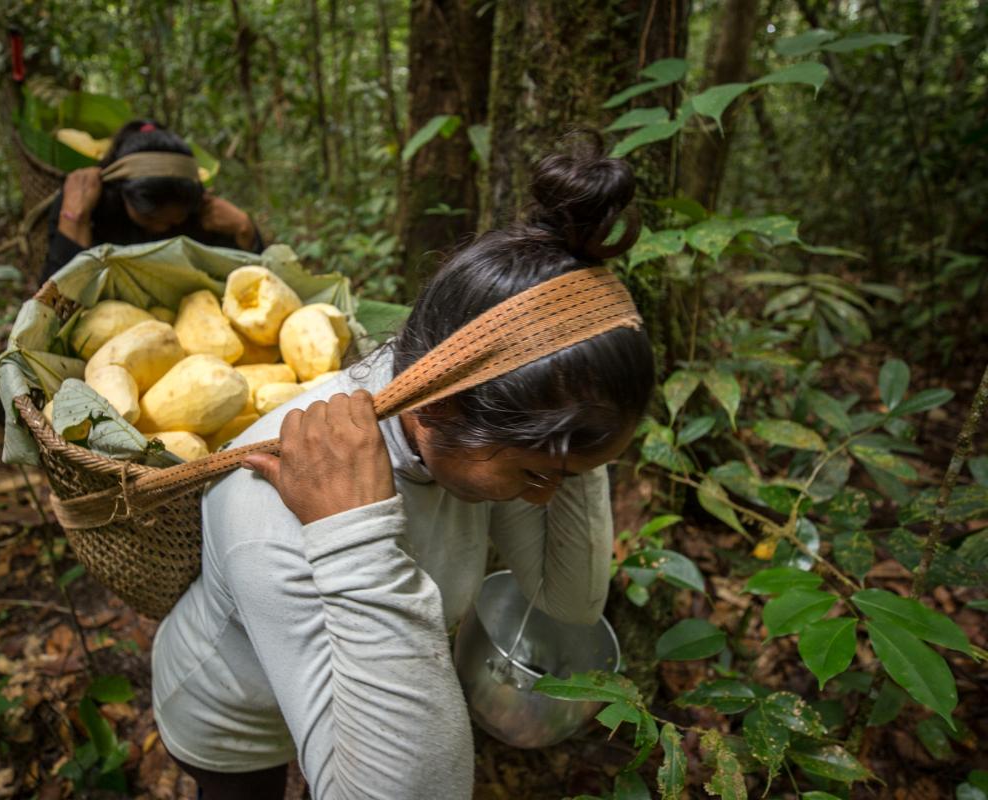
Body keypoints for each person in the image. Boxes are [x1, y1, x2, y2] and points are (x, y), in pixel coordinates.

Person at [151, 135, 654, 800]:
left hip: (347, 706)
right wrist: (355, 534)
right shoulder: (271, 502)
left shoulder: (475, 427)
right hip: (233, 719)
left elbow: (570, 603)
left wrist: (580, 440)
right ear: (444, 405)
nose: (541, 499)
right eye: (537, 474)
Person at [42, 120, 264, 281]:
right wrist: (74, 220)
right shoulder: (86, 206)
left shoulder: (200, 215)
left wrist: (246, 230)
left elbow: (255, 281)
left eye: (173, 222)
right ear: (121, 192)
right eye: (149, 217)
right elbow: (52, 300)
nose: (160, 227)